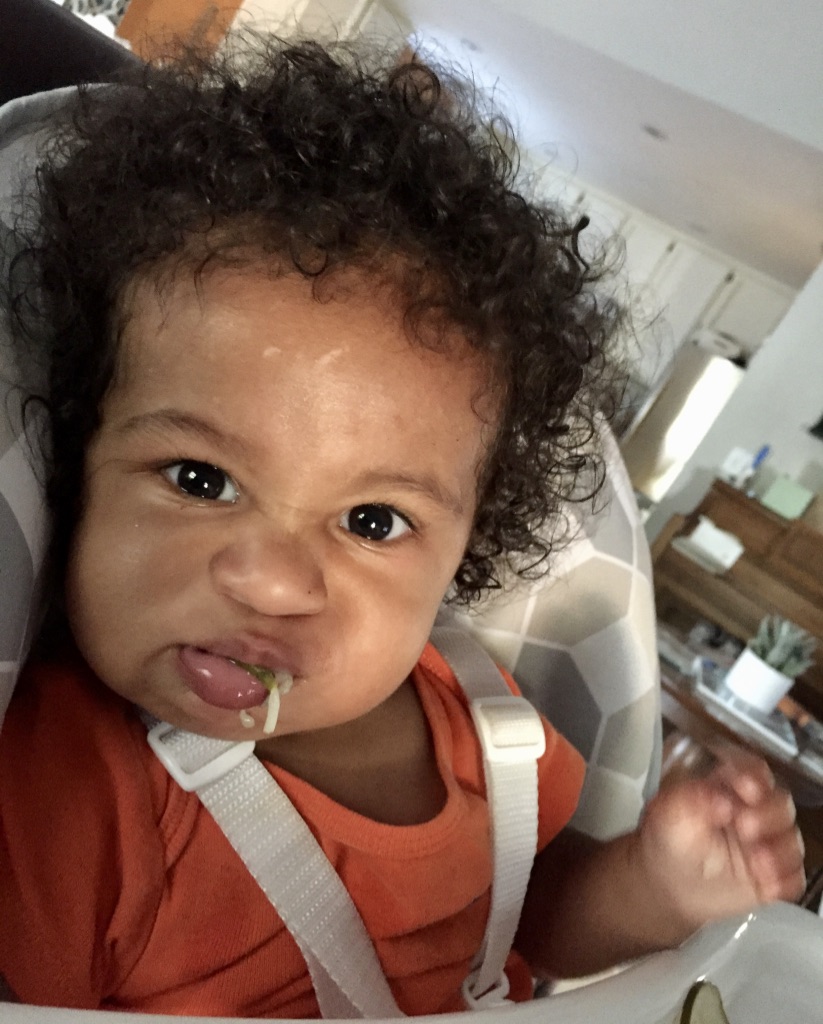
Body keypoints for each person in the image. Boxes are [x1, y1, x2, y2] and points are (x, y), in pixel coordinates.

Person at [0, 35, 804, 1017]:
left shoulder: (487, 729)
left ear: (469, 548)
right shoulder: (66, 796)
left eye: (372, 519)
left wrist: (655, 884)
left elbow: (529, 919)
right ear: (81, 466)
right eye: (200, 477)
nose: (272, 580)